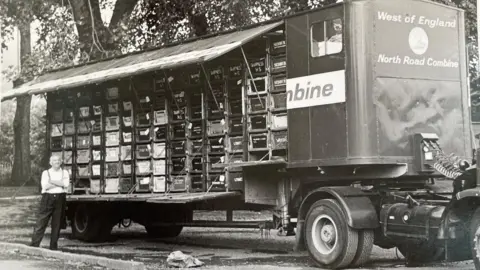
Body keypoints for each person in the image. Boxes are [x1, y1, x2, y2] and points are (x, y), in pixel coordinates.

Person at [30, 155, 70, 250]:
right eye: (54, 160)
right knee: (41, 221)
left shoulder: (64, 172)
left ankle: (53, 247)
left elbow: (65, 184)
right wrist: (58, 183)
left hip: (60, 198)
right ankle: (34, 245)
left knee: (57, 223)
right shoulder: (46, 173)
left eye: (58, 160)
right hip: (47, 198)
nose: (56, 162)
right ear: (50, 163)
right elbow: (45, 186)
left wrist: (52, 182)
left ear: (61, 162)